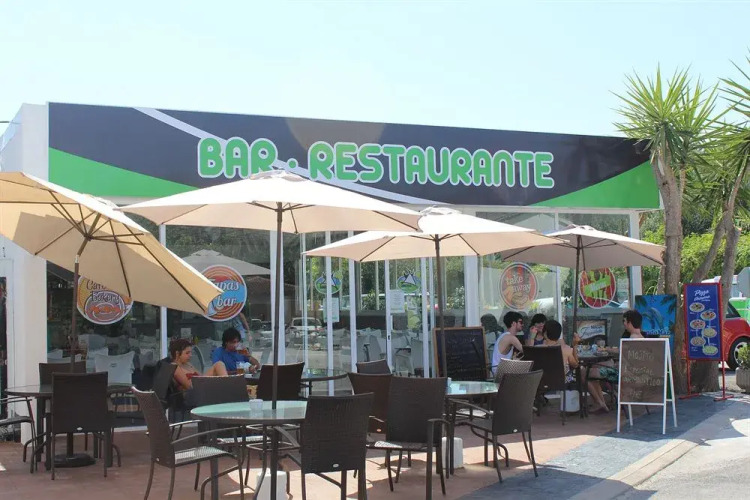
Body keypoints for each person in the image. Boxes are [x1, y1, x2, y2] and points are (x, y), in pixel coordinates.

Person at [586, 309, 645, 414]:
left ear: (630, 322)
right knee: (598, 366)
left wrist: (605, 350)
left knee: (587, 372)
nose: (624, 324)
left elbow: (621, 355)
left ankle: (601, 402)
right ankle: (605, 401)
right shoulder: (643, 338)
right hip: (637, 375)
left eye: (624, 321)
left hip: (623, 375)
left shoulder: (631, 339)